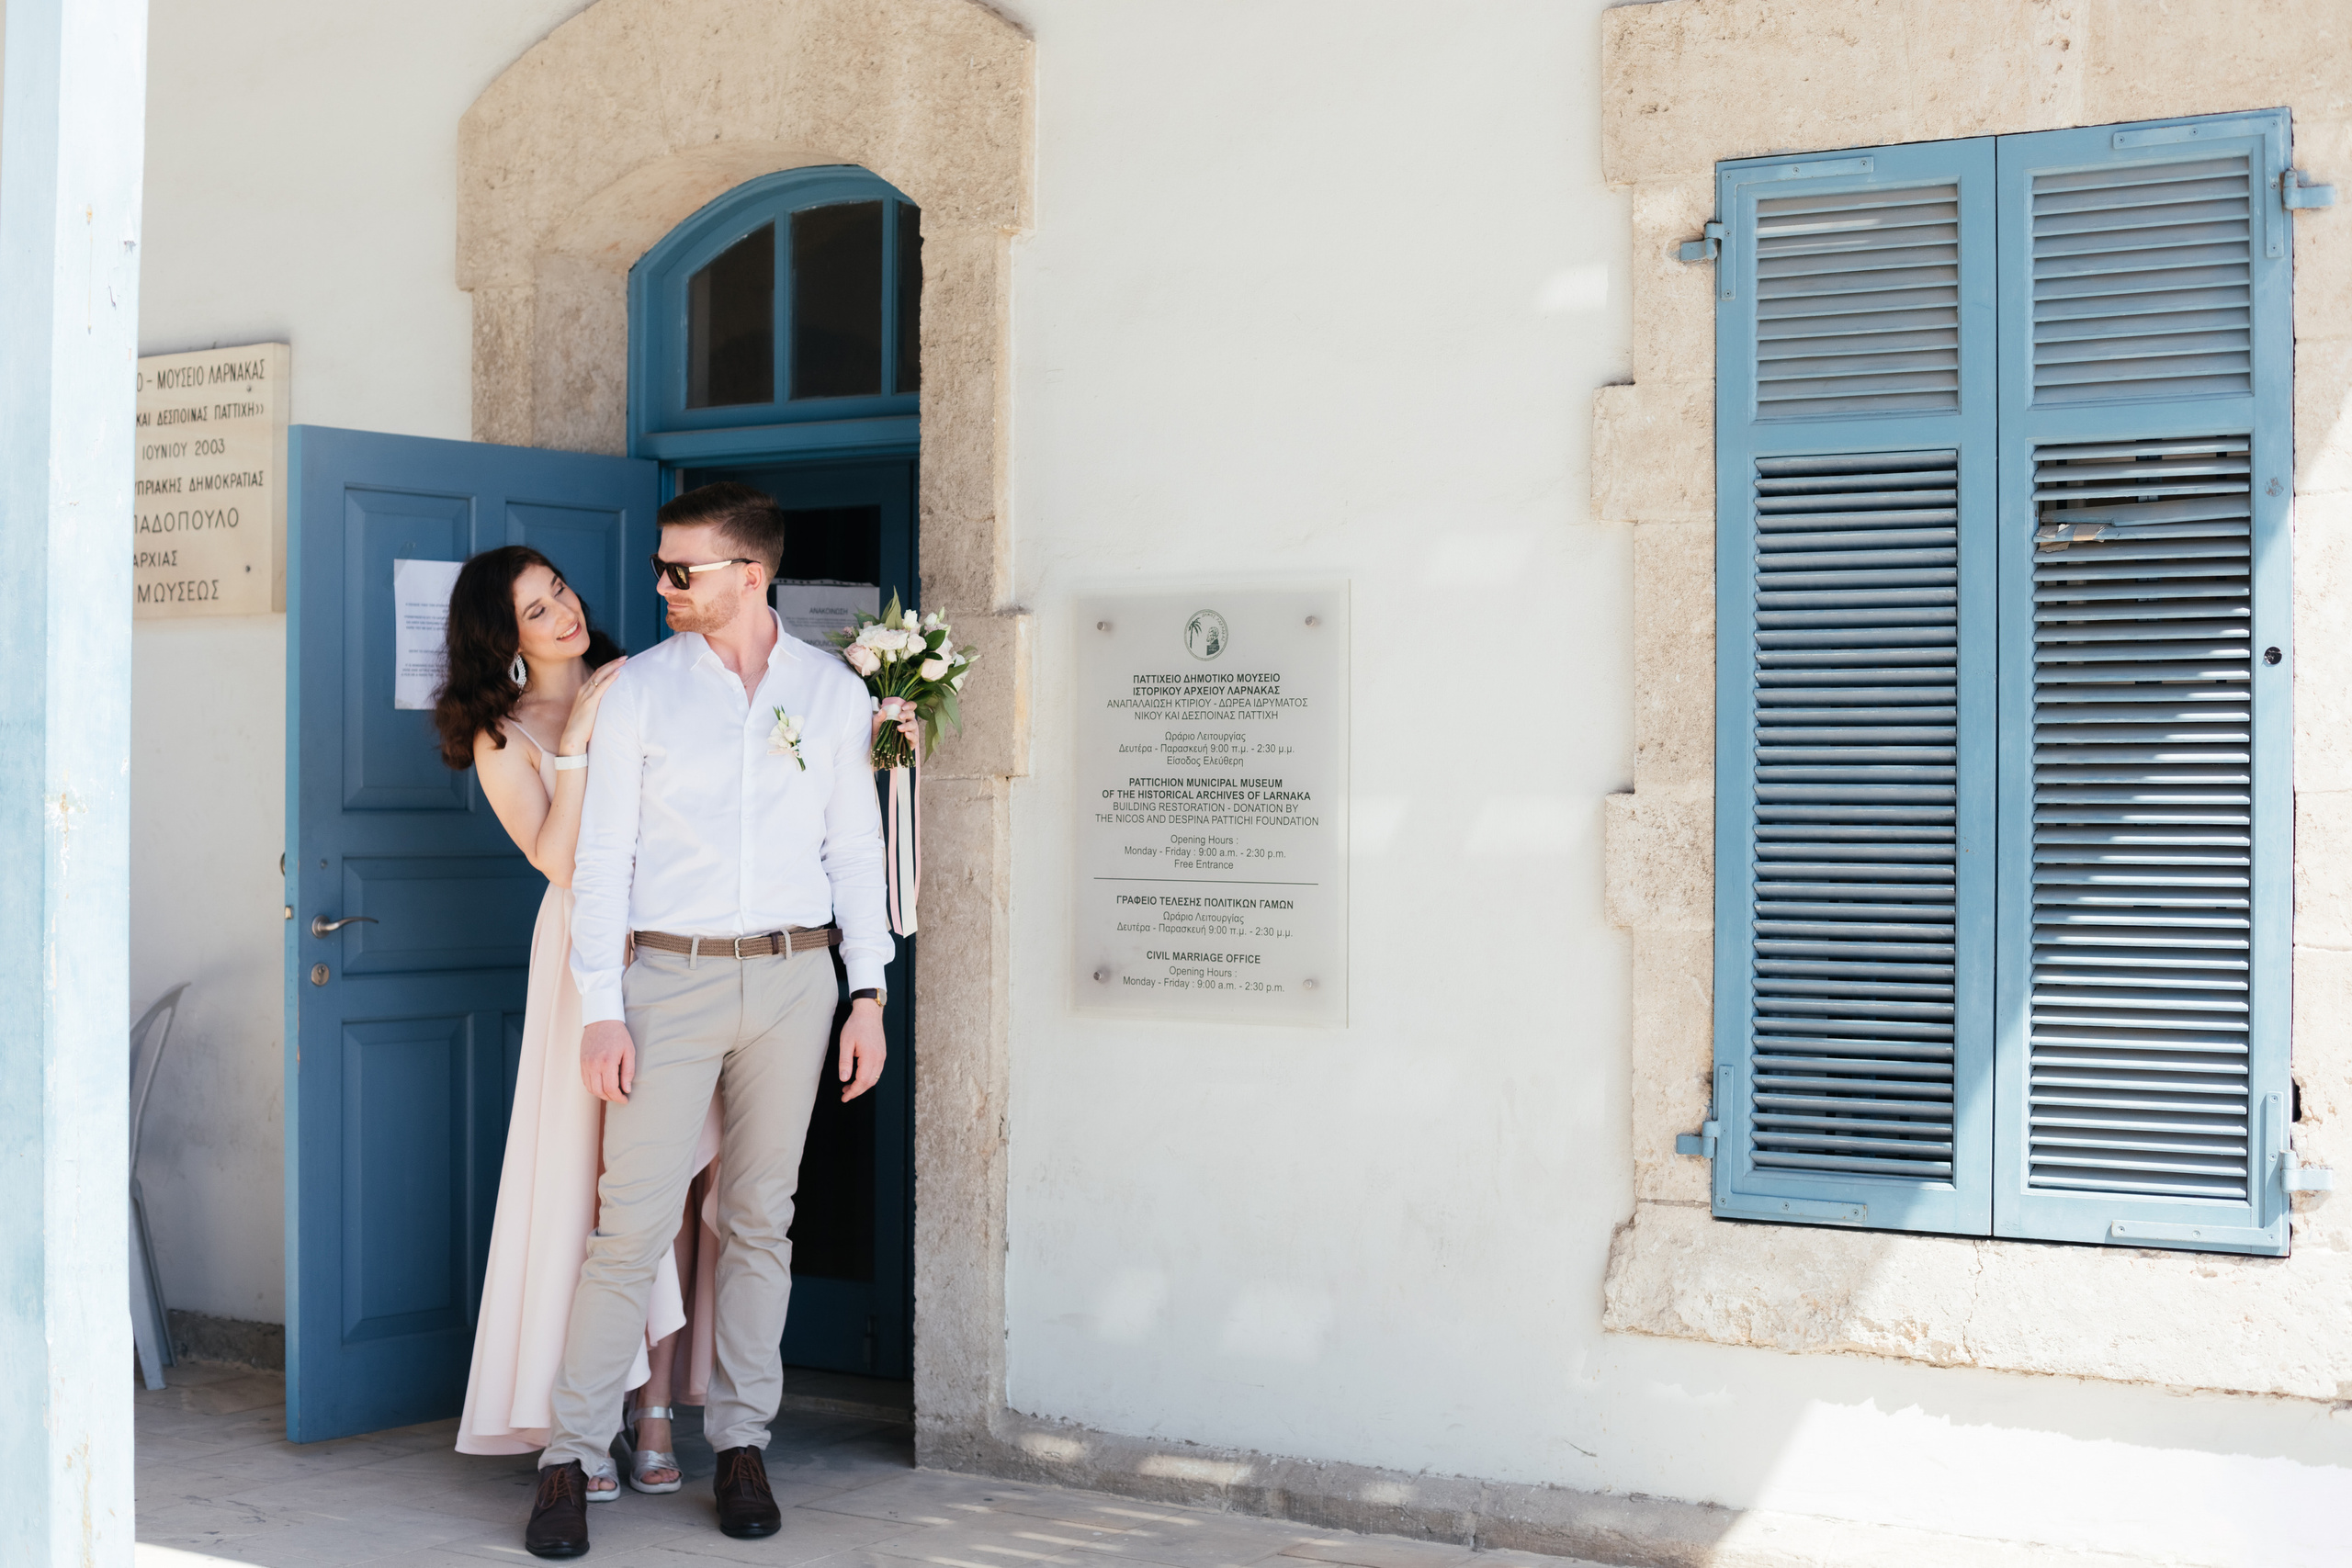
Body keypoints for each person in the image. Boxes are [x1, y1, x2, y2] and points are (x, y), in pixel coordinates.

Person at [522, 483, 895, 1560]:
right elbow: (603, 863)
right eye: (661, 568)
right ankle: (568, 1454)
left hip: (794, 980)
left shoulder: (828, 694)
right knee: (626, 1229)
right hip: (667, 983)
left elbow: (855, 853)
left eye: (681, 571)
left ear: (749, 573)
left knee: (758, 1223)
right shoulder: (638, 689)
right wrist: (603, 1009)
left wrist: (866, 993)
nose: (661, 586)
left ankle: (741, 1444)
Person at [435, 546, 711, 1500]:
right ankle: (578, 1422)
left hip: (680, 936)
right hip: (582, 956)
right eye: (535, 611)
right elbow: (559, 860)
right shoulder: (500, 733)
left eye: (561, 593)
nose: (563, 615)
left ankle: (658, 1413)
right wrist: (582, 738)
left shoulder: (646, 676)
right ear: (501, 638)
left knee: (672, 1182)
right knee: (586, 1188)